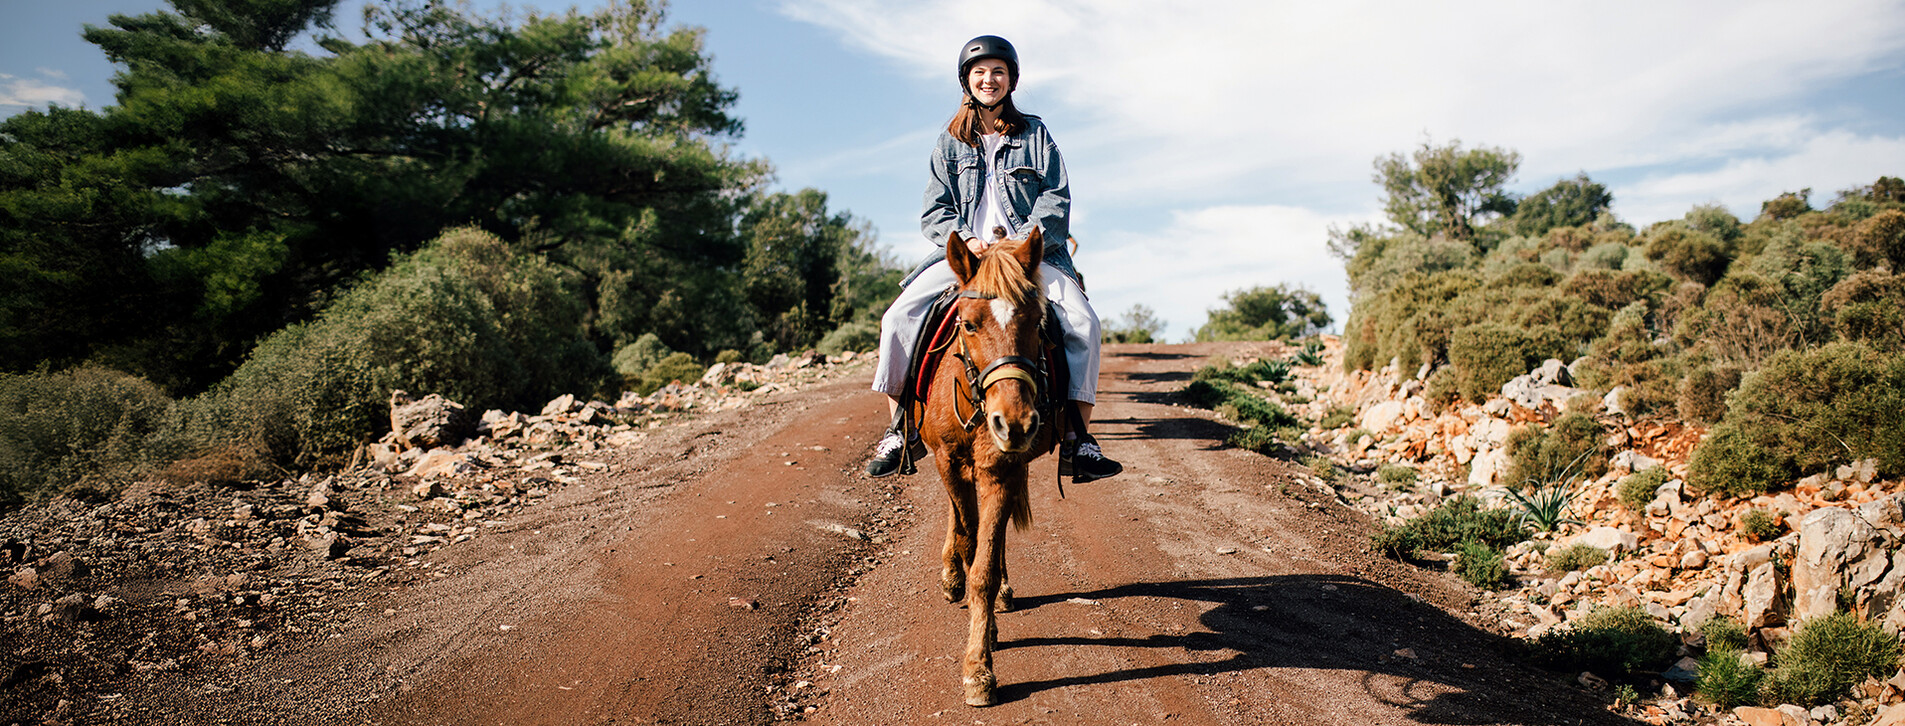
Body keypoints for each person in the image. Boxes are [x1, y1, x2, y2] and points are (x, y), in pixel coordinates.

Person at [866, 34, 1122, 484]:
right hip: (968, 257)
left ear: (1012, 80)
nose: (989, 79)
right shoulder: (948, 143)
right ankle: (900, 430)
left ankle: (1079, 437)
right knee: (898, 318)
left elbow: (1056, 199)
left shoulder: (1036, 134)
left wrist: (1022, 243)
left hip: (1026, 256)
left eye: (998, 72)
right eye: (980, 72)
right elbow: (935, 211)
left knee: (1083, 322)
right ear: (967, 80)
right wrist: (967, 239)